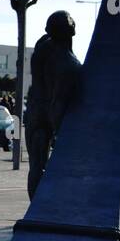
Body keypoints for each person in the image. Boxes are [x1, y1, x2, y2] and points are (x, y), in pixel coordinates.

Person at [23, 11, 82, 198]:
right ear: (72, 31)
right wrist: (58, 132)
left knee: (36, 166)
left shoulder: (41, 49)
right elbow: (58, 101)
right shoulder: (68, 64)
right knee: (48, 168)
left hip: (34, 111)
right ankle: (44, 209)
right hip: (51, 115)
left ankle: (35, 209)